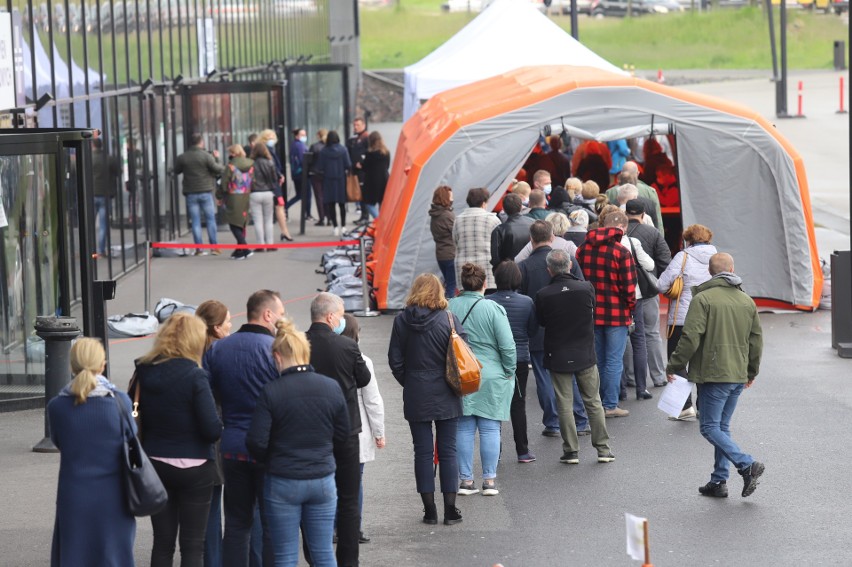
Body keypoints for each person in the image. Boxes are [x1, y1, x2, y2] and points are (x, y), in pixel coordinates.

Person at [246, 318, 350, 567]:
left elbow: (256, 442)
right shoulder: (331, 388)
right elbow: (343, 435)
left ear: (278, 357)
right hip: (322, 478)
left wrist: (273, 457)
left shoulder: (272, 391)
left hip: (283, 479)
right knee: (324, 552)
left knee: (285, 556)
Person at [666, 252, 764, 498]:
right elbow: (756, 341)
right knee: (721, 426)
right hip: (738, 373)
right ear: (732, 269)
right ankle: (719, 480)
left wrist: (674, 365)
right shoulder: (746, 300)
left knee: (709, 427)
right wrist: (751, 371)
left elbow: (690, 337)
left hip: (713, 373)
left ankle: (746, 464)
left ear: (710, 272)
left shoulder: (703, 299)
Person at [130, 312, 223, 567]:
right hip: (195, 468)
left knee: (162, 543)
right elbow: (211, 429)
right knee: (193, 546)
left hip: (156, 464)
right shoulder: (195, 375)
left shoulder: (145, 371)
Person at [206, 290, 285, 567]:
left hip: (232, 446)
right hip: (269, 448)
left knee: (237, 523)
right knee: (273, 523)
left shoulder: (218, 349)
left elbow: (207, 395)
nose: (281, 319)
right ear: (267, 314)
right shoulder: (276, 349)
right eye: (280, 314)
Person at [48, 338, 135, 567]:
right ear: (102, 364)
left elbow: (59, 442)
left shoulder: (57, 407)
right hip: (115, 495)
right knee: (114, 557)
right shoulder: (120, 403)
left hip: (74, 495)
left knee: (75, 556)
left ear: (72, 366)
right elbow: (132, 438)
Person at [387, 273, 464, 526]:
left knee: (422, 451)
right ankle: (450, 510)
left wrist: (410, 382)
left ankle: (429, 510)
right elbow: (464, 353)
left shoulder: (401, 321)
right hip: (447, 390)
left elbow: (395, 361)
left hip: (416, 391)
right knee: (448, 451)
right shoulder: (449, 319)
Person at [306, 292, 371, 567]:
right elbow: (364, 379)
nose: (344, 319)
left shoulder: (299, 344)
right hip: (345, 429)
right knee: (347, 498)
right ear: (331, 316)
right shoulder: (347, 347)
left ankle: (314, 556)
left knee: (310, 495)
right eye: (342, 313)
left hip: (308, 430)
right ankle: (348, 560)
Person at [535, 250, 614, 464]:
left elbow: (541, 321)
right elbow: (592, 311)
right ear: (570, 265)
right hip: (584, 351)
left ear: (549, 269)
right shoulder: (586, 287)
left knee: (564, 403)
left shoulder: (543, 294)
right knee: (593, 401)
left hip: (558, 352)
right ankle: (603, 449)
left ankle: (571, 450)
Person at [448, 263, 516, 496]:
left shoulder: (450, 306)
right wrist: (509, 370)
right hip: (491, 374)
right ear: (485, 284)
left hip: (460, 375)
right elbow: (507, 345)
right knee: (490, 428)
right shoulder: (492, 308)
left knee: (464, 428)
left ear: (461, 284)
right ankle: (489, 480)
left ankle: (466, 481)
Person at [519, 220, 589, 437]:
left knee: (543, 376)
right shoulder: (567, 260)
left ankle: (553, 422)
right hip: (569, 326)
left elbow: (522, 299)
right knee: (573, 372)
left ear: (531, 239)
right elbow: (581, 288)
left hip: (539, 328)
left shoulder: (523, 267)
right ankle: (580, 419)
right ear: (552, 237)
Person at [575, 210, 637, 418]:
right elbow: (629, 287)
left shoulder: (583, 249)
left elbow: (578, 280)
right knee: (613, 360)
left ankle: (598, 402)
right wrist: (630, 308)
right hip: (616, 312)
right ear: (623, 228)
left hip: (590, 311)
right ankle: (610, 405)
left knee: (598, 359)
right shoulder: (621, 252)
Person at [657, 224, 717, 420]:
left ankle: (684, 406)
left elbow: (662, 284)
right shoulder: (716, 257)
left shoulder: (682, 257)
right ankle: (704, 407)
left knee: (678, 359)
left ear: (688, 240)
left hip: (682, 318)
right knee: (703, 360)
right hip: (708, 317)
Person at [487, 261, 538, 463]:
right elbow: (533, 331)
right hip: (519, 358)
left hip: (493, 359)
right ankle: (522, 450)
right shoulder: (527, 302)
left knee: (494, 405)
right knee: (518, 404)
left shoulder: (487, 301)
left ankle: (495, 452)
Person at [341, 313, 386, 543]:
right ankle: (353, 528)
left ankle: (333, 527)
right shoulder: (362, 360)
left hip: (331, 430)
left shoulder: (324, 356)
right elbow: (373, 401)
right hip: (357, 430)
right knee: (355, 481)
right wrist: (379, 433)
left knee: (332, 479)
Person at [196, 300, 232, 567]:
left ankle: (213, 560)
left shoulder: (193, 352)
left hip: (199, 436)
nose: (231, 324)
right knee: (235, 505)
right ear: (217, 328)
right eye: (228, 320)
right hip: (222, 430)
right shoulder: (221, 352)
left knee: (208, 508)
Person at [607, 211, 656, 402]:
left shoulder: (602, 244)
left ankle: (620, 389)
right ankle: (641, 387)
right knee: (639, 341)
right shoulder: (633, 243)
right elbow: (650, 265)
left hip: (614, 300)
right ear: (625, 227)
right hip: (635, 297)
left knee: (616, 345)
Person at [623, 200, 671, 391]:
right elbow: (665, 261)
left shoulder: (621, 235)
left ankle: (632, 376)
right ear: (643, 215)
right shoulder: (653, 233)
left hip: (624, 291)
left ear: (626, 214)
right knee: (651, 333)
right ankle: (658, 376)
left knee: (628, 333)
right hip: (648, 291)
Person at [174, 133, 224, 255]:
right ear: (201, 142)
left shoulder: (183, 157)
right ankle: (214, 248)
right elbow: (218, 169)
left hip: (191, 193)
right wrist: (216, 158)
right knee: (210, 220)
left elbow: (176, 170)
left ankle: (199, 249)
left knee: (195, 221)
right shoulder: (206, 156)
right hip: (205, 192)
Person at [452, 187, 501, 290]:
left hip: (464, 271)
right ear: (484, 203)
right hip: (487, 271)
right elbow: (499, 245)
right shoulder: (493, 219)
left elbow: (455, 242)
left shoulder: (458, 220)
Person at [217, 145, 255, 259]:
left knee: (233, 223)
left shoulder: (230, 166)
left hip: (233, 196)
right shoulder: (251, 164)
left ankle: (245, 248)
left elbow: (224, 184)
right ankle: (239, 250)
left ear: (234, 153)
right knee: (241, 222)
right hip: (246, 195)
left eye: (231, 153)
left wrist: (219, 196)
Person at [255, 129, 293, 243]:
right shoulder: (266, 151)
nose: (271, 139)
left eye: (272, 136)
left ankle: (283, 232)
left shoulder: (268, 150)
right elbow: (271, 166)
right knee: (277, 208)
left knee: (277, 207)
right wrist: (278, 175)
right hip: (271, 184)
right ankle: (284, 232)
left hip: (269, 184)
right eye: (268, 137)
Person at [316, 130, 352, 236]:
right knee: (342, 204)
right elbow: (348, 164)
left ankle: (335, 227)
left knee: (331, 204)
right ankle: (344, 227)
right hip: (341, 179)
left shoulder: (323, 151)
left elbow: (320, 167)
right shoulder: (343, 150)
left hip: (328, 180)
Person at [92, 138, 120, 258]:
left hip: (91, 195)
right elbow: (118, 172)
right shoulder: (109, 159)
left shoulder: (88, 159)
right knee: (103, 225)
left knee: (89, 225)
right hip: (105, 195)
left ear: (92, 146)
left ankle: (89, 249)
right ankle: (101, 250)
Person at [249, 142, 281, 250]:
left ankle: (260, 245)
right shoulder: (270, 162)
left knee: (257, 220)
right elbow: (274, 179)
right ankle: (270, 244)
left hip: (254, 193)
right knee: (268, 220)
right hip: (268, 192)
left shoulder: (250, 163)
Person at [490, 193, 533, 269]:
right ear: (521, 206)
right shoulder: (534, 223)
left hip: (509, 272)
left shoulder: (500, 230)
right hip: (531, 269)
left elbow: (495, 258)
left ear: (504, 209)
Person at [429, 185, 457, 298]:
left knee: (447, 282)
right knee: (451, 285)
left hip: (440, 254)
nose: (452, 199)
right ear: (445, 198)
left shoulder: (434, 215)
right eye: (451, 197)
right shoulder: (447, 216)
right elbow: (456, 232)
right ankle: (448, 309)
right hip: (451, 254)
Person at [360, 131, 390, 222]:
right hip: (384, 180)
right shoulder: (386, 152)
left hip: (371, 182)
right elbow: (387, 166)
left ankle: (379, 222)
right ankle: (382, 224)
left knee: (368, 204)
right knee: (382, 204)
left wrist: (360, 165)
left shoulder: (369, 154)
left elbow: (365, 168)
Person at [347, 116, 370, 224]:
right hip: (357, 171)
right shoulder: (357, 139)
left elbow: (369, 153)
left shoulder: (366, 137)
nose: (355, 127)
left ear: (363, 126)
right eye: (354, 125)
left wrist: (362, 162)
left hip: (363, 172)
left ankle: (365, 217)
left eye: (358, 125)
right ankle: (363, 216)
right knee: (360, 194)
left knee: (364, 194)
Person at [286, 128, 312, 219]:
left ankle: (286, 206)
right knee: (306, 194)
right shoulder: (300, 146)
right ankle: (307, 214)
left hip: (296, 173)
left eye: (305, 134)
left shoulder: (294, 145)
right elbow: (303, 159)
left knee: (299, 195)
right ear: (297, 136)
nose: (304, 137)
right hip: (302, 173)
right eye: (302, 135)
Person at [308, 129, 328, 226]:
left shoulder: (314, 147)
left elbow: (309, 160)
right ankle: (329, 217)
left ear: (318, 136)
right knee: (327, 196)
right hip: (327, 174)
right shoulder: (328, 146)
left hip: (316, 174)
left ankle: (322, 218)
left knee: (319, 196)